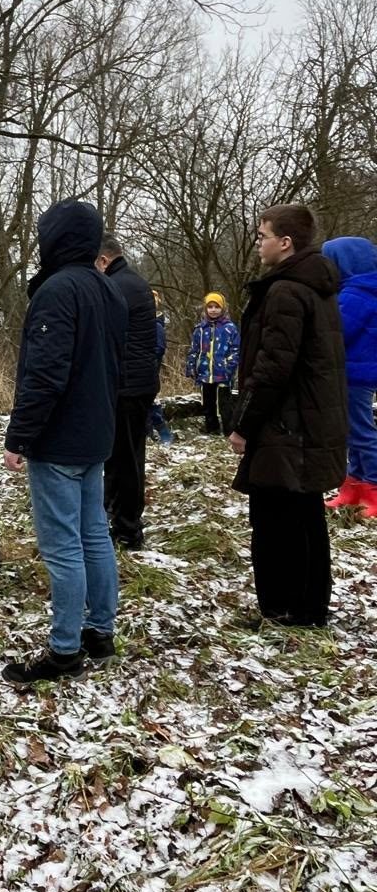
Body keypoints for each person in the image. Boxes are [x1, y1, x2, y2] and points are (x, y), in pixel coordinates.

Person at [1, 200, 127, 684]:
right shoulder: (108, 288)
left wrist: (20, 436)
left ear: (55, 238)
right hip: (96, 434)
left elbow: (45, 374)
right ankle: (100, 632)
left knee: (64, 546)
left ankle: (65, 650)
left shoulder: (57, 291)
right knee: (94, 534)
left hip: (59, 440)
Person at [228, 204, 347, 627]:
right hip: (304, 423)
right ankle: (309, 606)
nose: (257, 244)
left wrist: (243, 424)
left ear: (285, 242)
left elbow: (272, 368)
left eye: (262, 236)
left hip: (286, 425)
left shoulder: (286, 292)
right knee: (304, 513)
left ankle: (284, 608)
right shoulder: (315, 286)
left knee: (276, 518)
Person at [96, 235, 158, 550]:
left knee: (125, 460)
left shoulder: (116, 286)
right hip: (137, 383)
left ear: (103, 260)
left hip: (127, 387)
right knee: (126, 456)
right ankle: (121, 518)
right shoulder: (133, 282)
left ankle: (128, 529)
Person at [320, 236, 377, 518]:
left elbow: (337, 331)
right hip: (353, 374)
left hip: (356, 375)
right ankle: (353, 486)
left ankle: (373, 487)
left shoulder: (357, 295)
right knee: (351, 432)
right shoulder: (358, 290)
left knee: (362, 433)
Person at [185, 292, 240, 436]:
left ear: (223, 308)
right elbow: (194, 349)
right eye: (210, 307)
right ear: (205, 309)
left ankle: (228, 430)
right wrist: (191, 366)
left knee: (224, 404)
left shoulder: (229, 328)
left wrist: (230, 367)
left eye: (217, 307)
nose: (213, 310)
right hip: (205, 373)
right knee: (208, 403)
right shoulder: (200, 329)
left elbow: (236, 350)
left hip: (223, 373)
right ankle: (212, 429)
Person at [148, 291, 174, 445]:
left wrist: (150, 362)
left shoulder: (157, 326)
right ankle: (148, 433)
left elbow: (159, 349)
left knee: (149, 401)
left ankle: (163, 431)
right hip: (135, 368)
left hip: (149, 369)